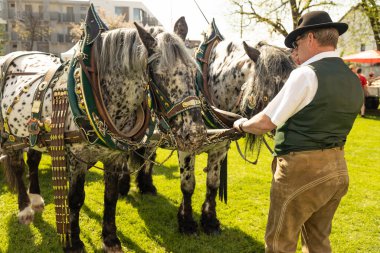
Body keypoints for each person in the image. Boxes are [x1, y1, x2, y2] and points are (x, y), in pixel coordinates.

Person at [234, 11, 363, 253]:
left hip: (301, 173)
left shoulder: (305, 74)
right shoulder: (352, 78)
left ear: (311, 38)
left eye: (297, 42)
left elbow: (265, 122)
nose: (295, 50)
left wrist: (241, 125)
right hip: (337, 169)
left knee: (279, 244)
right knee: (318, 243)